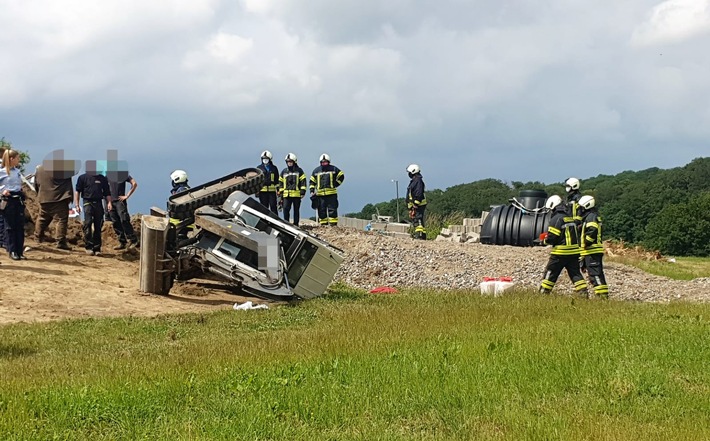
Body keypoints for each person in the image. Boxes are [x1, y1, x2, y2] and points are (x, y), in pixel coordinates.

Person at [539, 195, 588, 297]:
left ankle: (543, 294)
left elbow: (552, 237)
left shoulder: (556, 219)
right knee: (575, 274)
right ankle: (583, 293)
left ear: (553, 206)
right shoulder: (570, 218)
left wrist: (544, 241)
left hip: (560, 253)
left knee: (551, 272)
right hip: (574, 253)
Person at [34, 162, 74, 250]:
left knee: (42, 218)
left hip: (44, 198)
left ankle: (37, 237)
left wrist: (39, 194)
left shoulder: (40, 169)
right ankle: (60, 241)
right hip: (59, 198)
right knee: (61, 220)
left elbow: (36, 183)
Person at [74, 167, 112, 256]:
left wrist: (109, 203)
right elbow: (77, 191)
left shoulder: (102, 179)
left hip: (98, 203)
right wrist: (77, 205)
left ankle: (97, 248)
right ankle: (88, 247)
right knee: (88, 223)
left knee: (98, 225)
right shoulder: (83, 178)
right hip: (87, 202)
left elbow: (107, 192)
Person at [579, 195, 609, 299]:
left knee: (595, 274)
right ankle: (602, 295)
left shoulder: (591, 217)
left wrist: (586, 243)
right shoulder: (592, 216)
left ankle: (603, 297)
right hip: (590, 252)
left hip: (592, 251)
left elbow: (592, 231)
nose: (580, 210)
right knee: (595, 274)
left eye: (581, 207)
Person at [0, 149, 27, 260]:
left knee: (19, 226)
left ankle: (19, 251)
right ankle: (12, 251)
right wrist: (2, 191)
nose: (18, 160)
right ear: (11, 159)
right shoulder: (2, 171)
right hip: (8, 199)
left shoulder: (17, 171)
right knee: (10, 226)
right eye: (17, 158)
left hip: (18, 198)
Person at [310, 153, 344, 226]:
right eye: (322, 162)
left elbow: (341, 175)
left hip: (331, 194)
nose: (324, 163)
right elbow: (312, 182)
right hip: (320, 195)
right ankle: (323, 225)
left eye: (325, 162)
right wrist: (312, 191)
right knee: (321, 211)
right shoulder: (316, 171)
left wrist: (336, 184)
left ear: (328, 162)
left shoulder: (334, 169)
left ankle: (333, 225)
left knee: (333, 210)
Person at [109, 173, 139, 250]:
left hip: (120, 201)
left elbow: (134, 183)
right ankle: (122, 242)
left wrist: (127, 196)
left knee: (124, 219)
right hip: (111, 202)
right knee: (115, 222)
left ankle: (133, 240)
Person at [278, 153, 306, 225]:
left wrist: (302, 191)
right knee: (286, 210)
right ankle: (286, 224)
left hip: (296, 195)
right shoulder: (284, 172)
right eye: (288, 162)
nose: (289, 163)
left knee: (296, 210)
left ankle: (296, 224)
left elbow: (303, 181)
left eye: (290, 161)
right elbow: (280, 182)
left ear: (294, 162)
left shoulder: (299, 171)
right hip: (286, 195)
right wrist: (281, 193)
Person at [406, 164, 427, 240]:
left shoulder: (418, 181)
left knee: (418, 220)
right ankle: (422, 235)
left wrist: (415, 204)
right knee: (416, 220)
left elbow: (418, 193)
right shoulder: (415, 181)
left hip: (418, 205)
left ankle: (420, 236)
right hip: (415, 205)